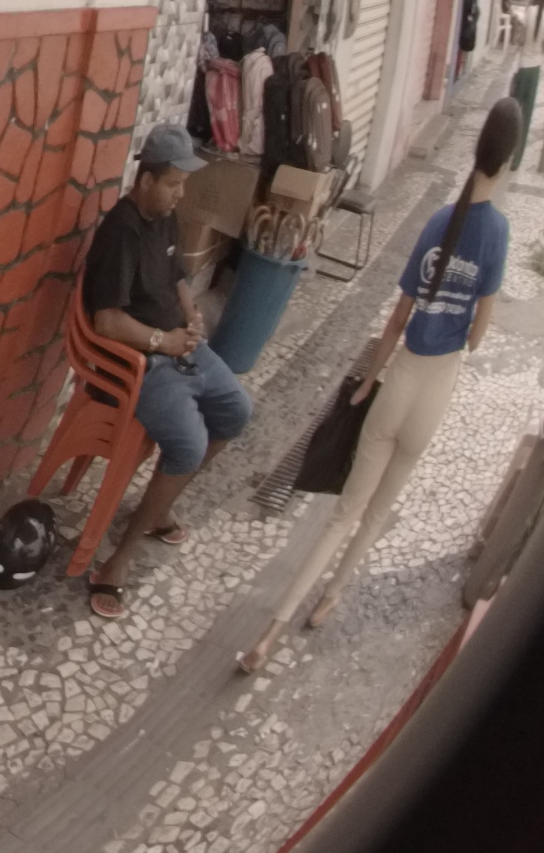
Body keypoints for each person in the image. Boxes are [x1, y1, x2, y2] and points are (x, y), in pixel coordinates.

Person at [238, 95, 521, 674]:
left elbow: (396, 320)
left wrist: (368, 382)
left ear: (476, 148)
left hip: (399, 382)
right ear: (510, 157)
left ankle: (270, 633)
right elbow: (477, 338)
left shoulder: (440, 221)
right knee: (374, 516)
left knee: (343, 513)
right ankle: (332, 598)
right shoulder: (498, 233)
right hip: (434, 393)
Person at [78, 123, 252, 619]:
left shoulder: (166, 218)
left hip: (178, 347)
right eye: (174, 184)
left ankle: (155, 509)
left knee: (237, 412)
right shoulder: (123, 231)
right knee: (188, 446)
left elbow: (177, 278)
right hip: (140, 362)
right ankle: (120, 557)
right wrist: (163, 341)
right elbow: (107, 321)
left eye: (184, 184)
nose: (181, 194)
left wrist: (192, 317)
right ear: (147, 180)